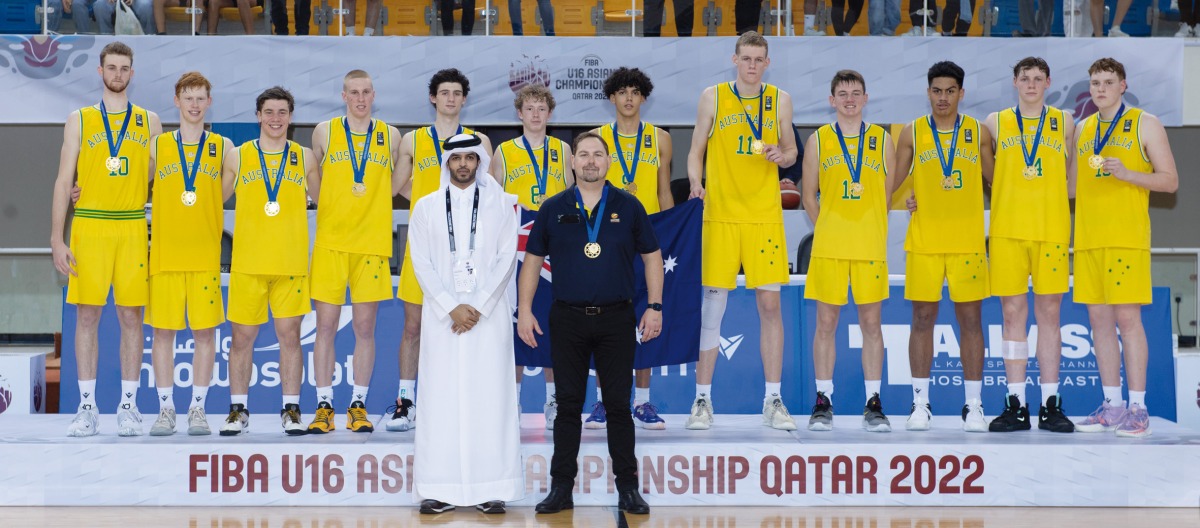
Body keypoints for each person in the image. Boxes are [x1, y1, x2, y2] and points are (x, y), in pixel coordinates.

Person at [519, 131, 661, 516]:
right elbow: (532, 261)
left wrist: (656, 305)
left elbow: (652, 256)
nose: (590, 161)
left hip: (617, 318)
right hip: (567, 319)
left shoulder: (629, 206)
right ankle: (561, 489)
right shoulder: (553, 207)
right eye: (583, 154)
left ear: (608, 162)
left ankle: (628, 488)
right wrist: (525, 309)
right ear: (573, 162)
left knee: (617, 406)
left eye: (598, 154)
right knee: (567, 407)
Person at [685, 31, 799, 432]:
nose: (752, 65)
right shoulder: (712, 96)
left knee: (770, 307)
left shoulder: (780, 99)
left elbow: (792, 152)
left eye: (758, 59)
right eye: (746, 58)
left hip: (764, 217)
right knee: (712, 309)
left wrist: (781, 155)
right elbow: (695, 150)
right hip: (721, 215)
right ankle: (702, 400)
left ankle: (773, 399)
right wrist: (696, 183)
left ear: (767, 63)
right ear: (734, 60)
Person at [52, 42, 161, 437]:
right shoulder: (78, 119)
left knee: (132, 316)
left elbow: (154, 176)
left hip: (132, 224)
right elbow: (64, 180)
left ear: (133, 73)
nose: (118, 74)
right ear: (100, 71)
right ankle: (86, 407)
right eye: (112, 67)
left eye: (124, 68)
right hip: (90, 225)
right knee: (87, 316)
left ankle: (128, 407)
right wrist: (56, 238)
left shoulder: (149, 120)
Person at [410, 134, 523, 514]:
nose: (462, 164)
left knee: (490, 400)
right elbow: (421, 263)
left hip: (486, 320)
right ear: (447, 163)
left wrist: (475, 306)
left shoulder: (502, 206)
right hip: (443, 321)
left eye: (469, 158)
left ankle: (492, 487)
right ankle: (439, 488)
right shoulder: (426, 208)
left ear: (480, 162)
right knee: (440, 402)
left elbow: (507, 258)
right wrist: (450, 307)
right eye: (456, 158)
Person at [1073, 58, 1178, 439]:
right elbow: (1070, 187)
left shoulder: (1144, 122)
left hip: (1126, 238)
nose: (1100, 89)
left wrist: (1128, 174)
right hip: (1087, 239)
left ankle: (1139, 408)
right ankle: (1112, 404)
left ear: (1123, 85)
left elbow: (1170, 182)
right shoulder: (1083, 128)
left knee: (1127, 321)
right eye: (1095, 83)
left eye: (1108, 82)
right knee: (1099, 323)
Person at [892, 62, 995, 433]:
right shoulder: (912, 133)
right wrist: (897, 201)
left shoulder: (978, 132)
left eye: (950, 90)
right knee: (922, 319)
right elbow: (892, 181)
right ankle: (920, 403)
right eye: (937, 90)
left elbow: (996, 181)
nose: (943, 97)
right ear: (928, 92)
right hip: (925, 241)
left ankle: (974, 406)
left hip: (967, 241)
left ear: (961, 93)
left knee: (971, 322)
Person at [391, 68, 493, 432]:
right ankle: (405, 403)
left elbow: (490, 194)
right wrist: (430, 206)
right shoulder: (412, 140)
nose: (450, 98)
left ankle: (462, 403)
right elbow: (394, 187)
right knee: (414, 325)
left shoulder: (479, 139)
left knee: (467, 326)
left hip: (468, 252)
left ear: (464, 99)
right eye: (444, 92)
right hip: (426, 245)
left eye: (457, 93)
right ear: (433, 98)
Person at [218, 86, 320, 436]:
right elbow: (212, 198)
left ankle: (291, 409)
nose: (275, 119)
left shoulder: (305, 157)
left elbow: (326, 198)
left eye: (282, 113)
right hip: (248, 262)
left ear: (291, 117)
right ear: (258, 115)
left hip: (290, 263)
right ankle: (238, 410)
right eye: (269, 112)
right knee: (241, 339)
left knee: (290, 337)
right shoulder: (238, 156)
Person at [305, 70, 401, 434]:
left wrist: (374, 205)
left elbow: (396, 183)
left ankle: (358, 404)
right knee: (325, 327)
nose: (360, 99)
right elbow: (315, 179)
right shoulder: (324, 132)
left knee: (364, 327)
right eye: (353, 93)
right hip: (330, 243)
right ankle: (325, 405)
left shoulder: (390, 135)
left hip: (371, 245)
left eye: (366, 92)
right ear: (343, 95)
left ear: (373, 95)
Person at [800, 69, 897, 433]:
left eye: (856, 92)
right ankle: (823, 400)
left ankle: (873, 402)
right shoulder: (819, 141)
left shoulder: (881, 139)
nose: (850, 99)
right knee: (826, 323)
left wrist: (868, 222)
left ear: (866, 98)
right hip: (829, 247)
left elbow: (885, 195)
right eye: (843, 94)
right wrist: (826, 227)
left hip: (869, 245)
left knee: (872, 324)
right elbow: (808, 195)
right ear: (832, 100)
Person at [984, 57, 1075, 433]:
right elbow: (987, 172)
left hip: (1051, 229)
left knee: (1050, 316)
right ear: (1015, 82)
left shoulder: (1066, 122)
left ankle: (1050, 404)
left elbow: (1071, 181)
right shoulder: (994, 122)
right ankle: (1016, 403)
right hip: (1007, 230)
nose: (1032, 84)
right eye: (1026, 78)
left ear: (1048, 82)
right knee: (1012, 316)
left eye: (1039, 78)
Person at [144, 72, 235, 436]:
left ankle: (197, 408)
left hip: (204, 256)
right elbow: (134, 185)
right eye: (188, 97)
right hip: (165, 254)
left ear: (209, 102)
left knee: (205, 335)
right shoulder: (157, 145)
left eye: (201, 98)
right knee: (163, 335)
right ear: (176, 100)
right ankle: (166, 410)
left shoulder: (224, 146)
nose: (195, 104)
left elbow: (224, 193)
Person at [584, 67, 674, 431]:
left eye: (635, 92)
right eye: (622, 92)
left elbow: (665, 189)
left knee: (646, 320)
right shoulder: (596, 138)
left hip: (647, 241)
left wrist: (670, 232)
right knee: (604, 321)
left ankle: (643, 402)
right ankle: (605, 402)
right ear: (611, 98)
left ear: (643, 98)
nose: (628, 98)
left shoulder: (661, 138)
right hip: (606, 242)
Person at [491, 84, 573, 430]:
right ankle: (514, 398)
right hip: (518, 249)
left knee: (553, 320)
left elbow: (575, 196)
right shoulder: (503, 152)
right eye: (530, 108)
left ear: (550, 114)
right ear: (519, 113)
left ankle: (553, 399)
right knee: (515, 323)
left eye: (542, 108)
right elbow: (494, 203)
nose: (536, 114)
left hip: (556, 250)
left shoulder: (564, 149)